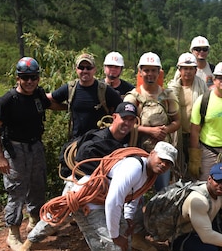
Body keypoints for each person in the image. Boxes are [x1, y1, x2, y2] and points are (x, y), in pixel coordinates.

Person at [18, 102, 139, 251]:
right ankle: (28, 245)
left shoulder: (128, 140)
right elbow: (81, 162)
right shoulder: (98, 140)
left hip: (103, 191)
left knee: (119, 224)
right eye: (124, 118)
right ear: (114, 118)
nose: (127, 123)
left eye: (131, 120)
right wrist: (106, 173)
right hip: (82, 187)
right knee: (56, 218)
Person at [71, 142, 177, 251]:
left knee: (125, 237)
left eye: (169, 163)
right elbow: (113, 200)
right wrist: (114, 235)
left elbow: (134, 194)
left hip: (103, 202)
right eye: (162, 159)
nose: (164, 164)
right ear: (152, 154)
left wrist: (127, 219)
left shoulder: (148, 174)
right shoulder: (134, 167)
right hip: (87, 202)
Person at [0, 57, 59, 251]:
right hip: (14, 149)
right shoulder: (8, 100)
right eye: (25, 77)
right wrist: (0, 157)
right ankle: (13, 233)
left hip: (35, 146)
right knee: (17, 190)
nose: (29, 81)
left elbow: (52, 105)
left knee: (37, 185)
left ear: (38, 78)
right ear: (18, 78)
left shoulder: (37, 95)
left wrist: (80, 107)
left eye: (33, 77)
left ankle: (34, 221)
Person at [124, 52, 180, 191]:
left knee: (162, 190)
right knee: (136, 190)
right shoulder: (133, 97)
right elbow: (125, 124)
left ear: (159, 72)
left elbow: (177, 121)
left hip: (163, 154)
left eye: (153, 70)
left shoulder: (168, 95)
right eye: (146, 70)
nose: (150, 74)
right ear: (140, 72)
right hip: (139, 150)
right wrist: (149, 131)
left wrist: (165, 130)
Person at [49, 53, 122, 139]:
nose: (85, 71)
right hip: (76, 141)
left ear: (94, 69)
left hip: (99, 140)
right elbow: (49, 99)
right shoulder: (70, 88)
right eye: (81, 68)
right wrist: (66, 107)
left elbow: (122, 108)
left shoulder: (104, 90)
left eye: (88, 68)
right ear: (76, 69)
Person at [167, 52, 208, 178]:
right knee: (178, 167)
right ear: (179, 70)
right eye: (185, 68)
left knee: (196, 167)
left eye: (191, 68)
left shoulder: (202, 86)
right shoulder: (171, 88)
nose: (188, 72)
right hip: (178, 134)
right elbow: (163, 106)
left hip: (197, 134)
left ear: (196, 70)